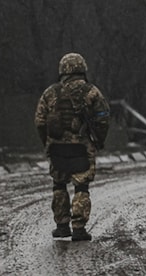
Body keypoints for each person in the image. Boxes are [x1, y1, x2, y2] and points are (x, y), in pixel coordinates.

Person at [34, 53, 110, 241]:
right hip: (82, 148)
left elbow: (39, 121)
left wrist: (47, 143)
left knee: (59, 184)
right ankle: (78, 228)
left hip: (56, 147)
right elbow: (103, 117)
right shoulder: (91, 92)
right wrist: (98, 139)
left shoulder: (50, 92)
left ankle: (61, 226)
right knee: (81, 186)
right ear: (82, 68)